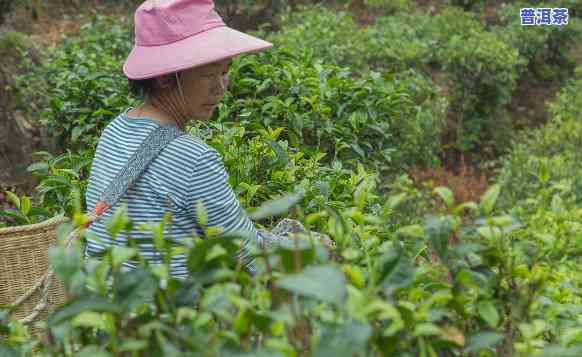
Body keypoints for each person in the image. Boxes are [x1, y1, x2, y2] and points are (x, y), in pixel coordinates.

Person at [84, 0, 276, 279]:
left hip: (107, 311)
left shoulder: (115, 129)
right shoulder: (193, 157)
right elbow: (247, 254)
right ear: (163, 77)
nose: (220, 89)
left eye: (225, 71)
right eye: (208, 74)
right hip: (170, 316)